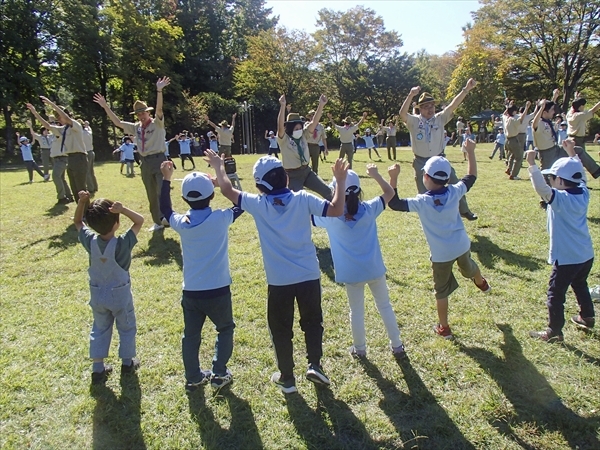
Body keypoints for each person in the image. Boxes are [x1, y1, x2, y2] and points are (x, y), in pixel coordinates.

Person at [204, 149, 348, 393]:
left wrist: (219, 166)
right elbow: (336, 210)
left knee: (281, 328)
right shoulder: (303, 198)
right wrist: (341, 182)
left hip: (279, 281)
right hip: (309, 275)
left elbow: (228, 190)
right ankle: (315, 365)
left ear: (260, 186)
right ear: (286, 177)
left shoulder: (258, 204)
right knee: (312, 322)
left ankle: (287, 377)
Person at [387, 139, 491, 340]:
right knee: (468, 267)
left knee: (441, 291)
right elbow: (471, 176)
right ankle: (481, 282)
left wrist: (394, 178)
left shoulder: (422, 202)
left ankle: (444, 327)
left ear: (425, 177)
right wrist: (470, 152)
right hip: (461, 245)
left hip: (441, 255)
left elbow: (395, 204)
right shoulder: (455, 190)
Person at [159, 162, 242, 392]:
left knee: (191, 336)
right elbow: (241, 202)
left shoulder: (181, 223)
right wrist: (222, 179)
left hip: (192, 291)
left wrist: (166, 179)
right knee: (225, 329)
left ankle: (193, 377)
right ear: (213, 195)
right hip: (218, 290)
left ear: (184, 198)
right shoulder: (220, 218)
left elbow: (165, 209)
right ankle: (219, 373)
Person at [312, 167, 406, 359]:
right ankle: (397, 346)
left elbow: (308, 215)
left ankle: (360, 349)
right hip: (375, 269)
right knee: (385, 306)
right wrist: (377, 175)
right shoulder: (370, 208)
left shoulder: (329, 217)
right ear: (359, 191)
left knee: (356, 311)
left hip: (351, 274)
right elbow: (390, 193)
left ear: (335, 191)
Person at [526, 140, 595, 342]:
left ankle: (554, 331)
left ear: (561, 181)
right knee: (580, 283)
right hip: (585, 254)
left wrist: (532, 165)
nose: (550, 181)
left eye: (552, 178)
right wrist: (571, 153)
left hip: (567, 257)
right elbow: (579, 174)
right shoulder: (583, 192)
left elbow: (542, 189)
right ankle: (587, 316)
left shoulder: (562, 199)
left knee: (555, 294)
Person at [73, 190, 144, 384]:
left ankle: (98, 368)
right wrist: (124, 209)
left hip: (98, 294)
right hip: (120, 295)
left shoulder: (89, 241)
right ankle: (127, 363)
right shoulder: (122, 244)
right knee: (127, 327)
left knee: (100, 328)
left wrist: (82, 203)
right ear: (117, 222)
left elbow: (78, 222)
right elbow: (139, 221)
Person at [94, 77, 171, 231]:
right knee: (150, 193)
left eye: (143, 113)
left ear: (148, 113)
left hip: (159, 160)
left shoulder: (157, 123)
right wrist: (105, 107)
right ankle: (157, 221)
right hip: (145, 162)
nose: (141, 116)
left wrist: (159, 90)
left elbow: (160, 110)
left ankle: (168, 218)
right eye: (138, 114)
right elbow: (117, 122)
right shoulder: (136, 127)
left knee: (162, 191)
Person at [399, 81, 479, 221]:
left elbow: (453, 105)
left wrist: (466, 89)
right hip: (420, 161)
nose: (430, 109)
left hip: (439, 158)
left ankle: (464, 210)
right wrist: (411, 95)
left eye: (432, 106)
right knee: (423, 190)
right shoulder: (414, 122)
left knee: (455, 183)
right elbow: (402, 113)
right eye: (425, 107)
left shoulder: (440, 118)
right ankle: (428, 215)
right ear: (420, 109)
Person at [26, 99, 88, 200]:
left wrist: (51, 104)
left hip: (79, 157)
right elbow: (48, 126)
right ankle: (81, 213)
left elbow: (66, 117)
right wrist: (35, 113)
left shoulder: (75, 124)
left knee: (81, 189)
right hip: (70, 158)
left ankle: (86, 213)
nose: (58, 120)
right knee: (75, 189)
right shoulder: (63, 129)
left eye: (59, 117)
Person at [278, 94, 334, 200]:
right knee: (295, 201)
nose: (299, 129)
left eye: (300, 127)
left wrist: (321, 105)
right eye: (296, 128)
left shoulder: (304, 134)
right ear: (290, 128)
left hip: (307, 171)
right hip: (293, 175)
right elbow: (280, 127)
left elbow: (314, 122)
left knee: (327, 191)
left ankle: (342, 212)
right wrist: (282, 106)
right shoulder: (284, 140)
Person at [533, 99, 600, 181]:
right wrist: (541, 108)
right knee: (548, 178)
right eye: (552, 110)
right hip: (547, 153)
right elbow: (534, 124)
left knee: (578, 150)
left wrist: (554, 98)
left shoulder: (547, 121)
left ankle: (596, 170)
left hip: (556, 149)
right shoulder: (539, 123)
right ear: (544, 112)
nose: (554, 112)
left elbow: (547, 109)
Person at [502, 101, 531, 180]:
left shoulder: (506, 118)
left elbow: (504, 114)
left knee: (512, 155)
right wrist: (527, 108)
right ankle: (514, 175)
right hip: (513, 140)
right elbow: (521, 119)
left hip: (507, 140)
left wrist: (507, 107)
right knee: (519, 157)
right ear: (514, 111)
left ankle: (509, 169)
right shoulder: (513, 120)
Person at [304, 109, 328, 174]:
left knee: (315, 164)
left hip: (315, 146)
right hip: (307, 145)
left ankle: (315, 175)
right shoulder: (306, 124)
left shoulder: (320, 126)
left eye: (314, 116)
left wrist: (326, 148)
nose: (312, 117)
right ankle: (305, 175)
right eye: (311, 116)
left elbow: (324, 138)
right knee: (305, 163)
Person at [81, 120, 98, 194]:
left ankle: (90, 188)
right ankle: (95, 186)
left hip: (86, 152)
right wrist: (87, 124)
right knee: (91, 171)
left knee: (87, 171)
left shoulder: (81, 133)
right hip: (91, 151)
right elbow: (88, 127)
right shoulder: (88, 131)